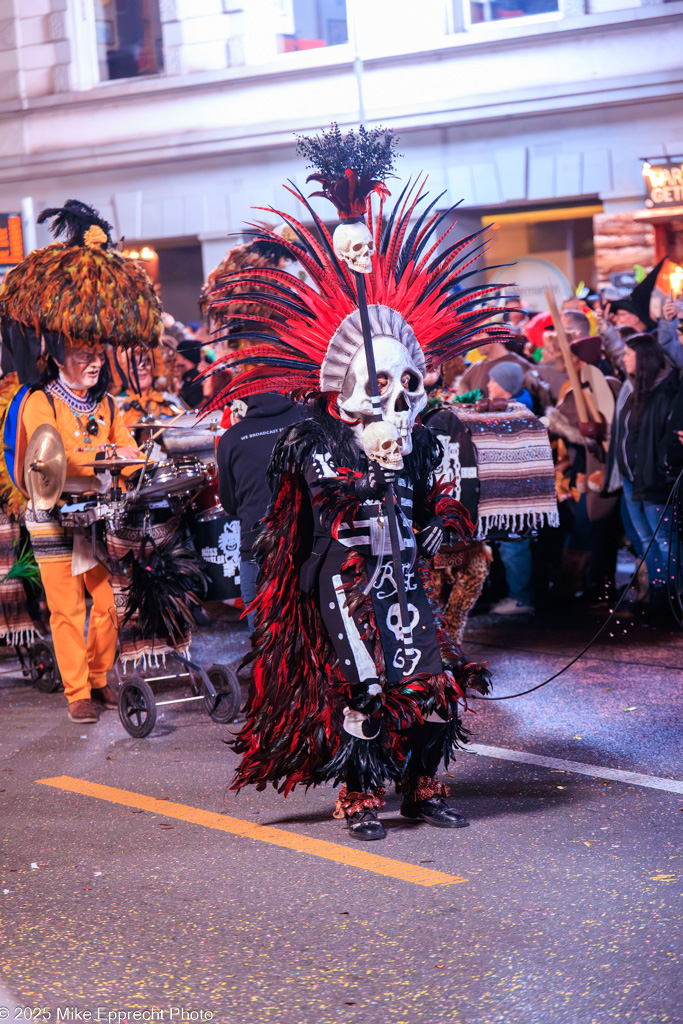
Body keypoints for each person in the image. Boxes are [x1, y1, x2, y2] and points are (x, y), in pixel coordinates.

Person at [208, 130, 494, 842]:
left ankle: (424, 788)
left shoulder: (424, 436)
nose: (396, 406)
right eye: (380, 390)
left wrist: (445, 525)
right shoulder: (312, 440)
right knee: (362, 693)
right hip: (344, 585)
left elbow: (449, 498)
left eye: (409, 388)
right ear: (343, 391)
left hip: (409, 581)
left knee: (434, 692)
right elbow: (287, 530)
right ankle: (359, 797)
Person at [0, 200, 162, 723]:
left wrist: (138, 461)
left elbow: (130, 453)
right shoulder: (37, 402)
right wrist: (103, 459)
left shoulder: (110, 405)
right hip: (50, 516)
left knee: (109, 603)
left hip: (94, 517)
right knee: (65, 607)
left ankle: (99, 677)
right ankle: (77, 695)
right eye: (83, 354)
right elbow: (48, 462)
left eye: (98, 354)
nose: (94, 361)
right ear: (58, 354)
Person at [604, 333, 682, 611]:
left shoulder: (667, 392)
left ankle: (671, 599)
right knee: (647, 540)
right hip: (632, 478)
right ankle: (657, 595)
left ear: (644, 358)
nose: (623, 359)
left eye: (628, 354)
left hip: (654, 479)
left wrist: (661, 471)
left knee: (663, 540)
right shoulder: (635, 386)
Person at [216, 392, 305, 632]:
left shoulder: (231, 438)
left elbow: (230, 504)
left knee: (265, 641)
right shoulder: (307, 419)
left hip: (258, 546)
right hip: (308, 544)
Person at [173, 338, 204, 408]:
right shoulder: (185, 377)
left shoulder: (196, 382)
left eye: (177, 356)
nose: (175, 362)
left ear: (184, 358)